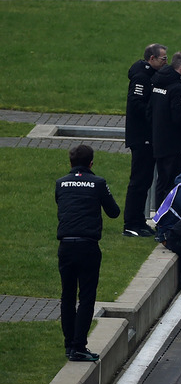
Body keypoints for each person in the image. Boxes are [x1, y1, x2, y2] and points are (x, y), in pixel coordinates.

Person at [55, 145, 120, 361]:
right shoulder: (98, 183)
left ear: (70, 163)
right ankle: (79, 346)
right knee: (86, 297)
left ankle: (68, 345)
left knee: (67, 295)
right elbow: (114, 212)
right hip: (88, 245)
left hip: (65, 245)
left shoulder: (61, 183)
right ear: (91, 163)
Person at [122, 43, 168, 237]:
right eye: (162, 58)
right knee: (139, 181)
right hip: (141, 138)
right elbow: (136, 103)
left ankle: (138, 220)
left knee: (145, 180)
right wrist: (155, 113)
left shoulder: (149, 75)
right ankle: (131, 223)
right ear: (152, 59)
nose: (165, 61)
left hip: (147, 137)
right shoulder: (141, 77)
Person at [149, 51, 181, 207]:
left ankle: (159, 216)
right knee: (171, 184)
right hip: (173, 145)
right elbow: (179, 119)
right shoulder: (178, 90)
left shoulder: (157, 83)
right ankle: (166, 221)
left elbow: (149, 111)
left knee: (162, 182)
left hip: (159, 141)